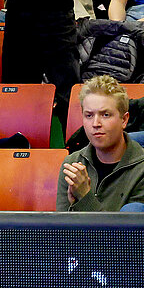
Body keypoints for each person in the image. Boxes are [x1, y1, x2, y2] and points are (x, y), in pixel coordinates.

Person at [58, 76, 144, 211]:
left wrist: (84, 197)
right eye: (89, 115)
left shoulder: (141, 169)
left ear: (124, 120)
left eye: (105, 115)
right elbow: (63, 229)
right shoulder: (72, 163)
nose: (95, 124)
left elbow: (124, 231)